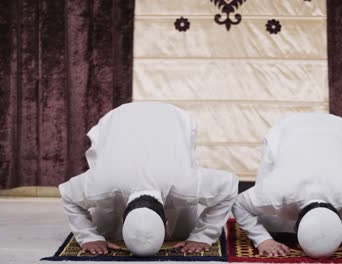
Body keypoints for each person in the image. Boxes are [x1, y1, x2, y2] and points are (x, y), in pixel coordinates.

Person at [59, 102, 238, 256]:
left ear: (166, 219)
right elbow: (68, 194)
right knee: (107, 232)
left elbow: (229, 187)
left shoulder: (184, 184)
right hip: (120, 125)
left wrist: (203, 236)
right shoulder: (103, 184)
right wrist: (90, 237)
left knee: (183, 232)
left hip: (171, 118)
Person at [232, 113, 342, 258]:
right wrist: (262, 239)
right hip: (290, 128)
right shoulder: (277, 190)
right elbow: (239, 204)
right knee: (272, 227)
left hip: (340, 131)